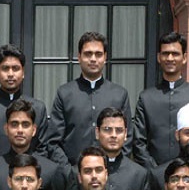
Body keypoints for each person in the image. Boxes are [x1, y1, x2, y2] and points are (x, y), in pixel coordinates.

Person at [44, 32, 132, 166]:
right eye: (88, 54)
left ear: (105, 57)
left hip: (111, 174)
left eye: (98, 54)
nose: (93, 59)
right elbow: (53, 141)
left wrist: (114, 168)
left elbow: (127, 137)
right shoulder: (65, 93)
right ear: (79, 57)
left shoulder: (120, 94)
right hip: (72, 175)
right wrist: (69, 170)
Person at [133, 31, 189, 167]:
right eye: (165, 54)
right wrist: (155, 171)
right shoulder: (146, 97)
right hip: (153, 177)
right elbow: (138, 141)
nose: (170, 58)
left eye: (175, 54)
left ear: (184, 57)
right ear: (159, 57)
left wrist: (188, 169)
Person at [0, 44, 49, 159]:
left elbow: (43, 149)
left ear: (23, 72)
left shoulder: (38, 108)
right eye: (5, 68)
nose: (10, 74)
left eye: (15, 68)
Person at [95, 107, 153, 190]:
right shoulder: (82, 171)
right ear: (97, 132)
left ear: (126, 134)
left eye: (119, 130)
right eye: (107, 129)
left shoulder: (139, 174)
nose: (113, 135)